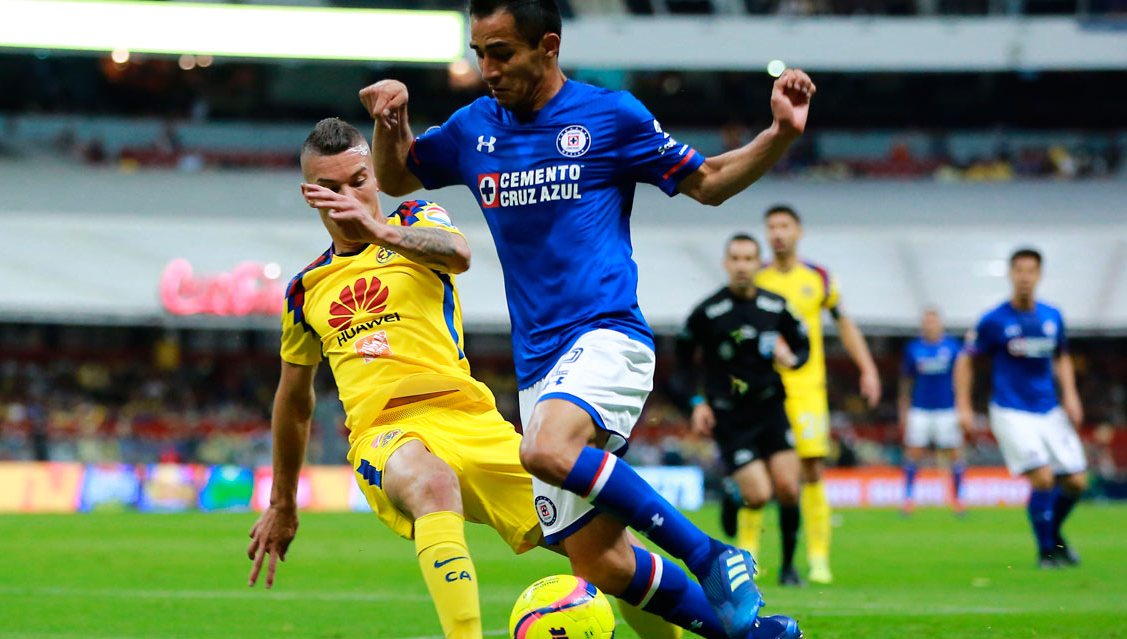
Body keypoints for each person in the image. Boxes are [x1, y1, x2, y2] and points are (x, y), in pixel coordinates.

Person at [362, 0, 813, 635]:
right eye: (479, 52)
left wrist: (780, 136)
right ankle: (746, 631)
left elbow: (708, 181)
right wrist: (390, 121)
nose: (487, 68)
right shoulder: (473, 128)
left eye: (502, 52)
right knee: (598, 558)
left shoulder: (610, 116)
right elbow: (396, 177)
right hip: (540, 365)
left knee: (545, 449)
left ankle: (713, 554)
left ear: (547, 45)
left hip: (606, 334)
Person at [246, 118, 700, 639]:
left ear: (375, 176)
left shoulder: (416, 218)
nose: (348, 196)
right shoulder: (305, 290)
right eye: (329, 188)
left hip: (471, 420)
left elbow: (458, 255)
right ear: (310, 195)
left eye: (358, 180)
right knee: (431, 482)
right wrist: (282, 502)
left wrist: (380, 232)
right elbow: (293, 401)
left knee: (609, 554)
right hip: (386, 434)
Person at [752, 204, 881, 585]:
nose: (777, 233)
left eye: (784, 226)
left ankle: (818, 558)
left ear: (798, 232)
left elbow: (844, 323)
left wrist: (868, 367)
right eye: (771, 226)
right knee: (758, 471)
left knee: (810, 470)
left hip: (808, 388)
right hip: (765, 390)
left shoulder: (819, 277)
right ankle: (750, 557)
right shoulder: (756, 278)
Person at [676, 234, 810, 587]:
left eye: (749, 258)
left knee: (788, 488)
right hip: (730, 416)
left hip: (770, 408)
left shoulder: (776, 306)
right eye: (735, 258)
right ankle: (735, 497)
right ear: (726, 263)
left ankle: (789, 568)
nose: (741, 265)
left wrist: (793, 358)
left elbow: (803, 341)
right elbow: (682, 363)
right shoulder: (708, 312)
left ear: (758, 263)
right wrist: (696, 401)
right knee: (759, 496)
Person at [954, 248, 1087, 568]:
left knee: (1076, 482)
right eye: (1019, 271)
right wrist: (964, 406)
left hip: (1049, 409)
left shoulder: (1052, 315)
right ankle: (1046, 552)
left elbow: (1062, 356)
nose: (1025, 277)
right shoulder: (994, 320)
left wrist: (1071, 394)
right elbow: (965, 359)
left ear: (1039, 275)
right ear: (1011, 275)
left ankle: (1054, 537)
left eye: (1031, 271)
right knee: (1042, 478)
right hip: (1011, 410)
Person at [898, 307, 965, 516]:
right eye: (926, 321)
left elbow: (962, 376)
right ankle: (908, 499)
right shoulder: (914, 348)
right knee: (913, 453)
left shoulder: (952, 347)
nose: (930, 325)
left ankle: (958, 499)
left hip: (947, 408)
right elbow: (906, 380)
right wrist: (903, 408)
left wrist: (963, 405)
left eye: (933, 321)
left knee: (954, 453)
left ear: (940, 324)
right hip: (920, 409)